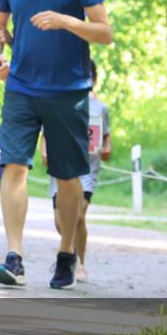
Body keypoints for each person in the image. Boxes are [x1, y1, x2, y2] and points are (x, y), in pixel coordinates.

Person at [0, 0, 113, 290]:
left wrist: (65, 21)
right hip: (21, 86)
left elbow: (104, 32)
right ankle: (14, 256)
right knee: (14, 166)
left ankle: (66, 252)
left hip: (68, 89)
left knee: (67, 175)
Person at [41, 59, 111, 284]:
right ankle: (69, 254)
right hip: (61, 167)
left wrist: (106, 149)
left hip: (87, 170)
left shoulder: (101, 108)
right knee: (60, 222)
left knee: (79, 215)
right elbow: (46, 133)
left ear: (94, 80)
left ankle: (79, 262)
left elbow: (107, 139)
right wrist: (44, 150)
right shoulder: (57, 102)